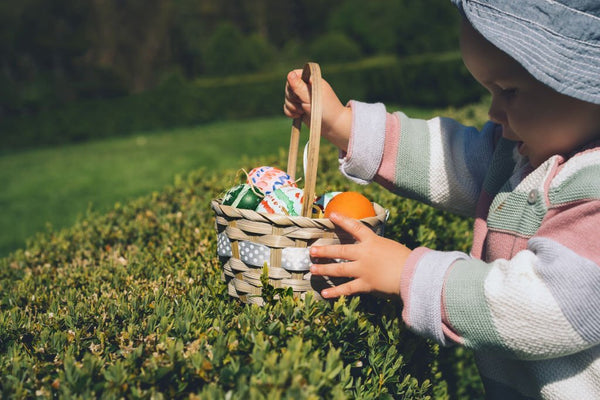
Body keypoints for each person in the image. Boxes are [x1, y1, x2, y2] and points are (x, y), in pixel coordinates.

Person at [284, 0, 600, 399]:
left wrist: (408, 273)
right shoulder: (522, 151)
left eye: (509, 92)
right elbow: (451, 158)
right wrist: (343, 125)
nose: (494, 111)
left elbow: (547, 305)